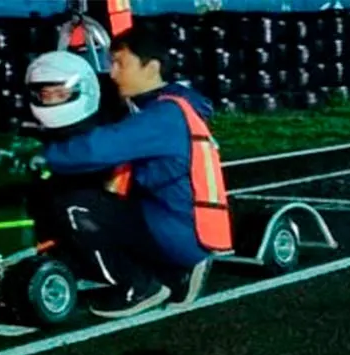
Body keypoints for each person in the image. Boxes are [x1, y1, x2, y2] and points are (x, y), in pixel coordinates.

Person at [39, 22, 231, 317]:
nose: (112, 73)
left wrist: (40, 155)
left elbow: (97, 149)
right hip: (176, 219)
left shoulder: (163, 116)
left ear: (151, 67)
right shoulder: (171, 105)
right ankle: (170, 270)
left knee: (75, 206)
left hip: (176, 229)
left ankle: (138, 286)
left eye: (119, 64)